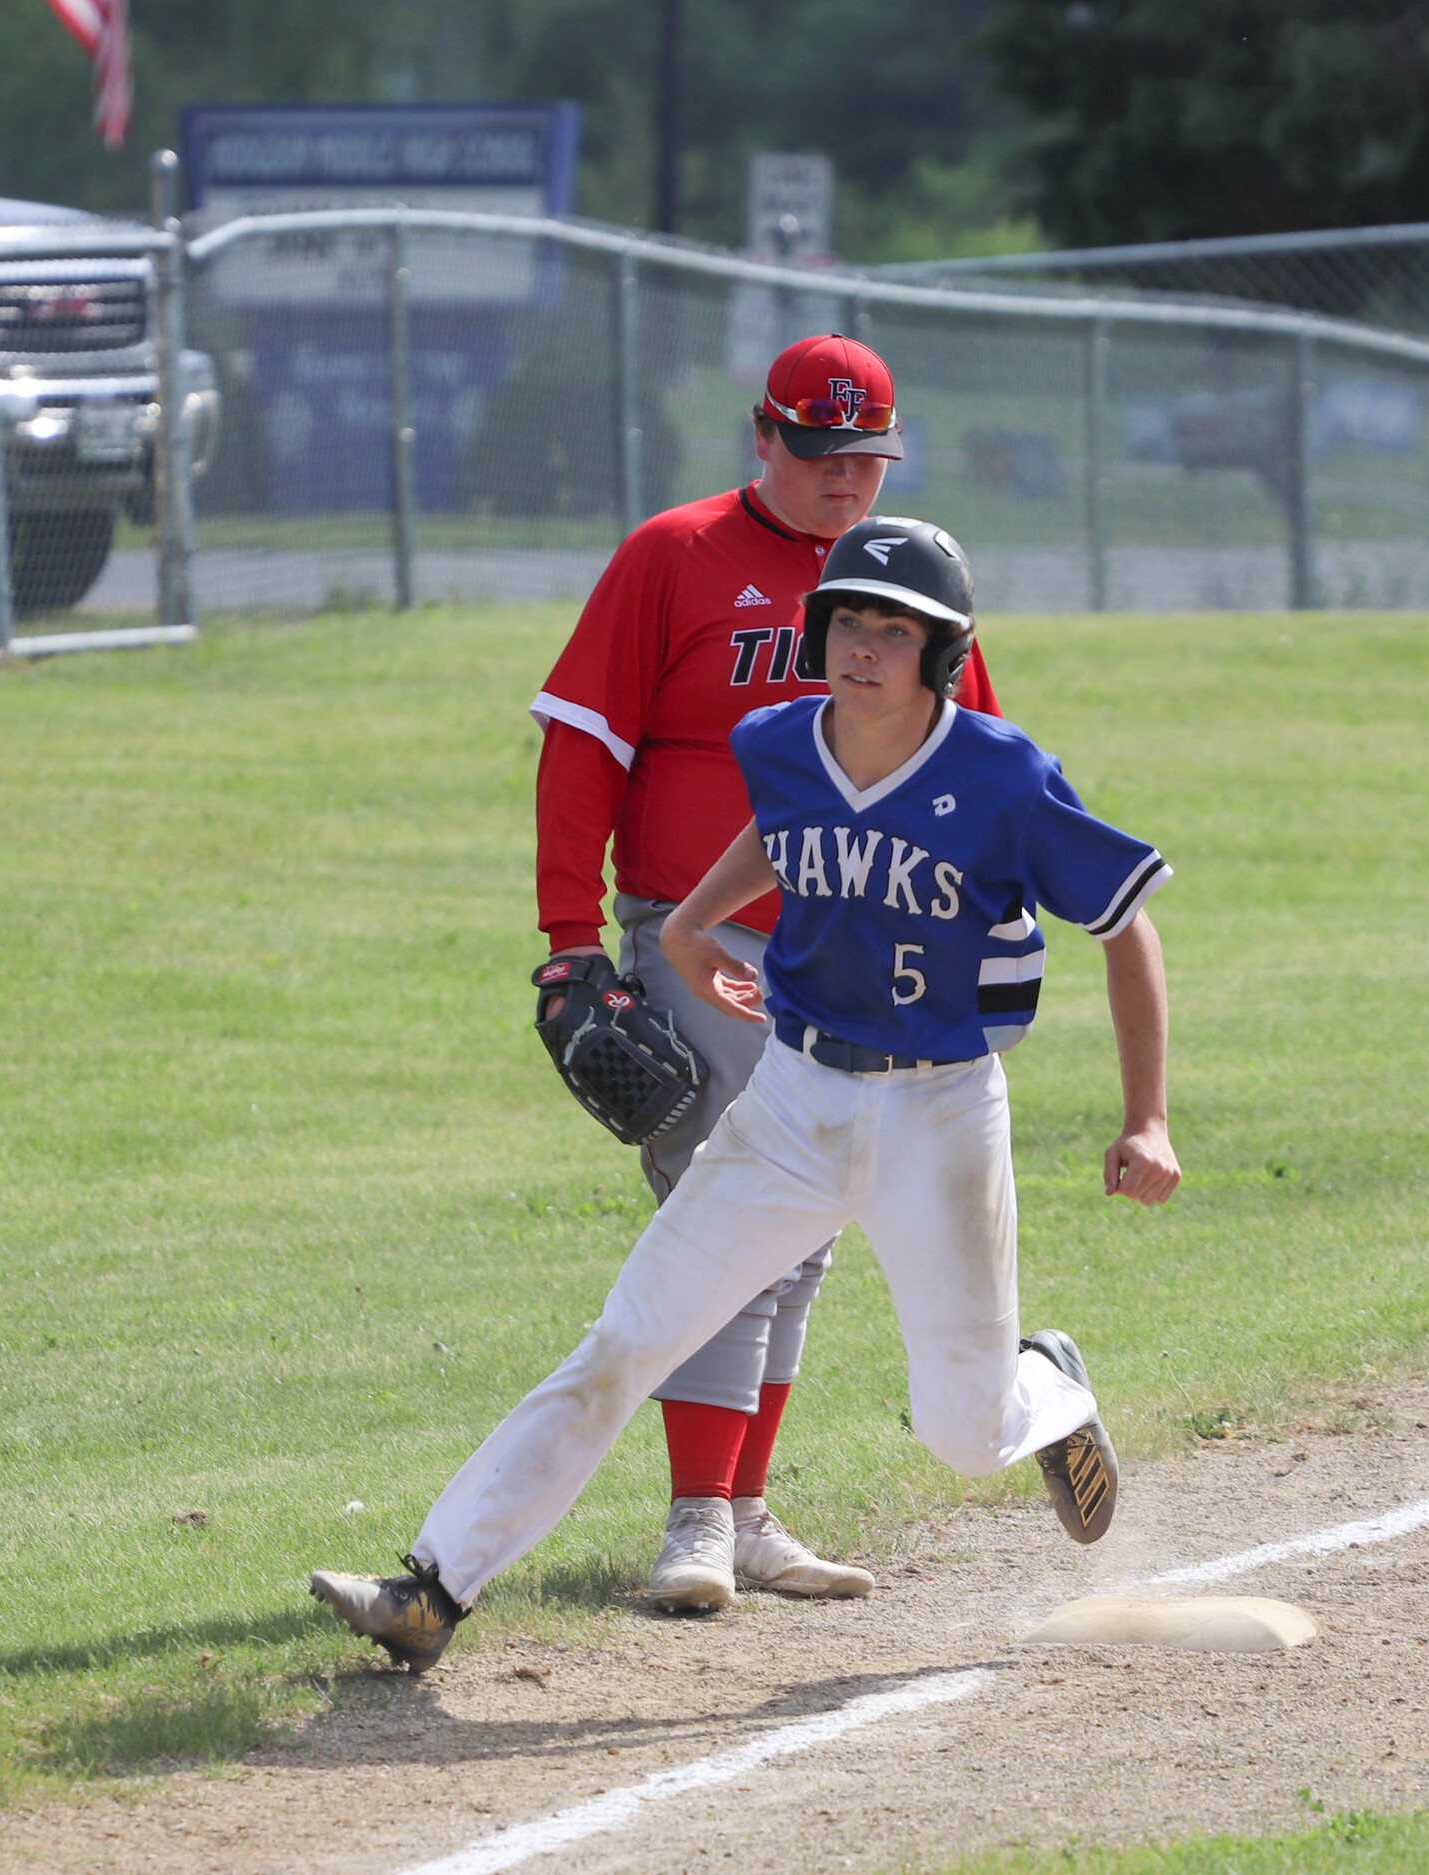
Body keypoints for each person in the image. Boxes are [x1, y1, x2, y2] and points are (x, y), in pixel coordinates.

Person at [313, 516, 1182, 1671]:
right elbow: (786, 829)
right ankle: (434, 1590)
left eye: (893, 629)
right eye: (846, 622)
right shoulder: (779, 739)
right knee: (628, 1340)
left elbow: (1126, 928)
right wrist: (685, 925)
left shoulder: (1002, 775)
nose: (862, 647)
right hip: (793, 1102)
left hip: (940, 1117)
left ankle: (1050, 1389)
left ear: (944, 651)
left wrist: (1148, 1117)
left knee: (964, 1434)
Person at [527, 334, 1004, 1612]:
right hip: (702, 931)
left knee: (800, 1236)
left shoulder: (907, 575)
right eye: (817, 453)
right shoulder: (673, 557)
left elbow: (980, 756)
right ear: (762, 435)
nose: (844, 483)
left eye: (866, 458)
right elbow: (583, 749)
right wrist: (570, 939)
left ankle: (742, 1513)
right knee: (726, 1204)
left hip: (856, 946)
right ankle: (696, 1518)